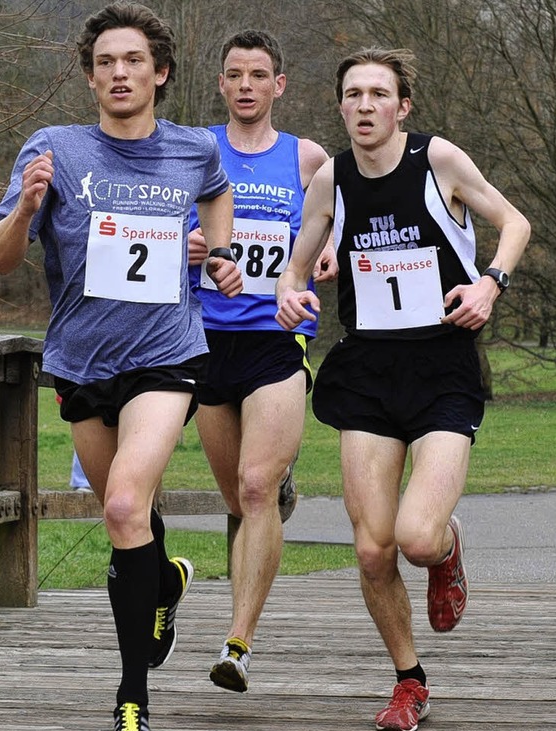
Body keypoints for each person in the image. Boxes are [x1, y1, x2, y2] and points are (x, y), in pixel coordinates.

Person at [0, 1, 241, 731]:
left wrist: (218, 252)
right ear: (92, 76)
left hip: (166, 353)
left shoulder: (192, 148)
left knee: (127, 503)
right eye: (105, 62)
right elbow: (1, 257)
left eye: (133, 61)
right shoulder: (55, 149)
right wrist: (28, 206)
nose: (119, 73)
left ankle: (132, 704)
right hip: (81, 360)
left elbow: (218, 188)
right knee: (128, 520)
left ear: (159, 73)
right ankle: (162, 578)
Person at [276, 47, 530, 731]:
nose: (364, 106)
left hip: (442, 367)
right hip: (367, 371)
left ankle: (447, 552)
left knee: (415, 538)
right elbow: (295, 271)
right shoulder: (331, 178)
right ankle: (408, 681)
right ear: (339, 105)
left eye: (378, 94)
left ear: (402, 106)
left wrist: (490, 283)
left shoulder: (438, 161)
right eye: (352, 94)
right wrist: (291, 297)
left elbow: (515, 224)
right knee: (370, 547)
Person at [187, 30, 337, 694]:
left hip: (277, 338)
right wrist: (183, 243)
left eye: (259, 75)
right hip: (203, 340)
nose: (246, 85)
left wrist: (330, 250)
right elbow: (156, 227)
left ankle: (237, 644)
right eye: (234, 75)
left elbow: (346, 218)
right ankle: (276, 496)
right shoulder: (195, 151)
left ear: (279, 85)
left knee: (252, 490)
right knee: (241, 499)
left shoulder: (307, 157)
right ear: (220, 84)